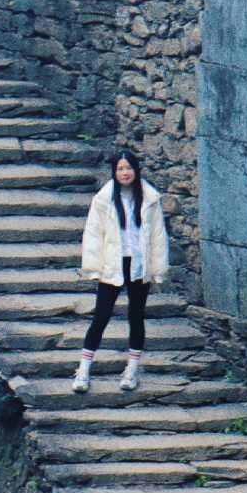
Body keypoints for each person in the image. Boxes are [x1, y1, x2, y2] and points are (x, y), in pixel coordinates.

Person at [73, 151, 167, 394]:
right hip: (112, 264)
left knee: (136, 316)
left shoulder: (150, 199)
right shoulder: (103, 200)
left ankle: (131, 370)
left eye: (128, 168)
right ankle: (83, 369)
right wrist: (93, 267)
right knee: (101, 316)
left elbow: (158, 235)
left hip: (138, 265)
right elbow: (93, 234)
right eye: (120, 169)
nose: (125, 173)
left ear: (136, 170)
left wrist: (157, 269)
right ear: (114, 172)